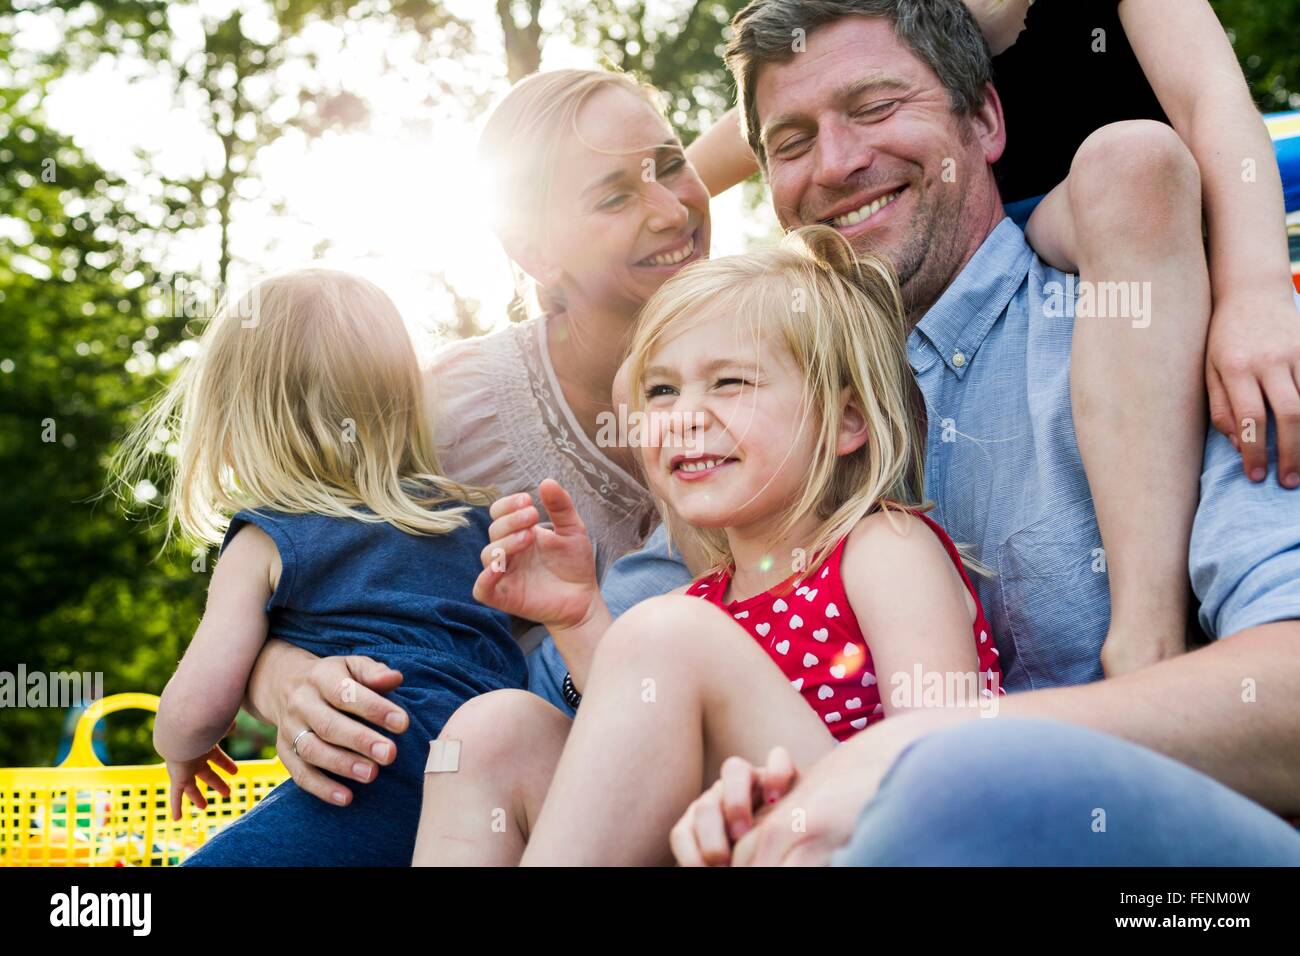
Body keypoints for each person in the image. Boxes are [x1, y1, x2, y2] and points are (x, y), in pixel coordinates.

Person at [679, 0, 1300, 865]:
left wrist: (930, 753)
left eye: (876, 108)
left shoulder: (1165, 330)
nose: (837, 162)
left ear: (983, 118)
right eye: (789, 142)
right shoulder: (780, 416)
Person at [192, 69, 707, 860]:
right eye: (613, 197)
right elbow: (301, 578)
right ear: (534, 252)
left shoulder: (783, 360)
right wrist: (283, 678)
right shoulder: (450, 415)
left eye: (672, 163)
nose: (673, 208)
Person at [413, 225, 1003, 866]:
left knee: (669, 632)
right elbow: (636, 749)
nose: (682, 415)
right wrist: (579, 617)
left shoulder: (883, 547)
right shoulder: (702, 603)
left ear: (846, 421)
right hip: (732, 846)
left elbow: (941, 757)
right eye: (662, 391)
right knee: (494, 730)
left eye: (729, 383)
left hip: (882, 842)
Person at [114, 269, 528, 862]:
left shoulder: (268, 537)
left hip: (364, 767)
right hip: (492, 785)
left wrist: (179, 748)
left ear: (238, 421)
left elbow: (197, 709)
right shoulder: (472, 521)